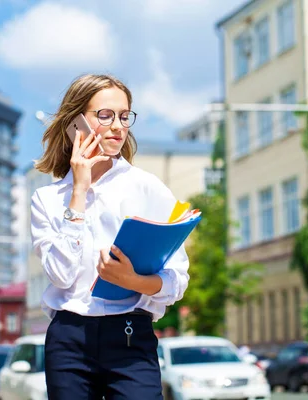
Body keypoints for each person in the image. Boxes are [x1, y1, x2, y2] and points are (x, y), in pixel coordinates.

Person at [31, 74, 190, 400]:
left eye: (124, 115)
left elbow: (178, 280)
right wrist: (79, 190)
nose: (118, 126)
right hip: (68, 340)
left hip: (132, 336)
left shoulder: (148, 188)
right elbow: (61, 276)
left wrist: (132, 280)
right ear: (76, 122)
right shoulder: (46, 200)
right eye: (105, 115)